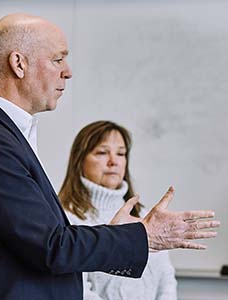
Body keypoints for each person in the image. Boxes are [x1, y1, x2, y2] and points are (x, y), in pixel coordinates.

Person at [0, 13, 219, 300]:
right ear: (19, 64)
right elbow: (51, 247)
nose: (68, 71)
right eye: (58, 59)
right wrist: (142, 236)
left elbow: (39, 241)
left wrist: (114, 233)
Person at [59, 120, 177, 300]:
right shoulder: (67, 219)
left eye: (121, 153)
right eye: (101, 152)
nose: (113, 161)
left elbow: (166, 278)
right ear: (79, 160)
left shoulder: (144, 215)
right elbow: (78, 289)